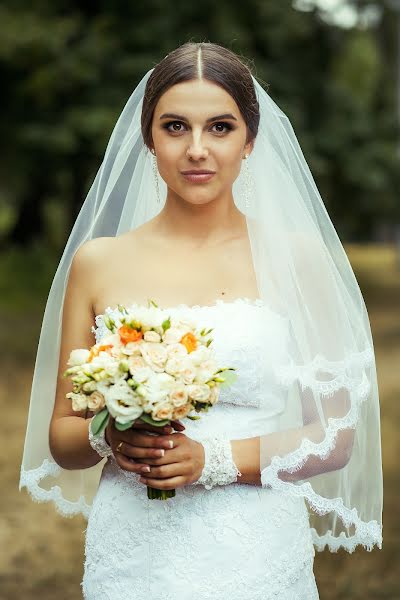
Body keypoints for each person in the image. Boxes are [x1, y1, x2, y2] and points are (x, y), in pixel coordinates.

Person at [19, 42, 383, 599]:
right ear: (149, 140)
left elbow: (334, 437)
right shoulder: (99, 262)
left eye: (219, 127)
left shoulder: (297, 259)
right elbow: (65, 437)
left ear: (250, 141)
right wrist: (111, 434)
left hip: (254, 548)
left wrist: (209, 460)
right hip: (133, 553)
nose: (196, 150)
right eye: (174, 127)